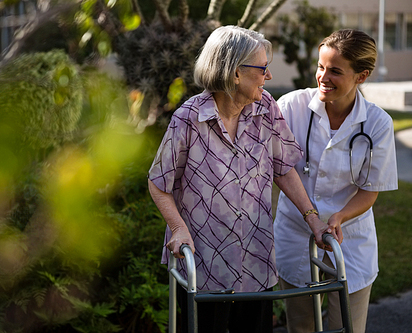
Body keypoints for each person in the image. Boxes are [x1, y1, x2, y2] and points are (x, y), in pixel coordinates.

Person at [147, 25, 336, 333]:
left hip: (256, 259)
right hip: (204, 263)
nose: (269, 76)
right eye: (262, 69)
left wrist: (312, 219)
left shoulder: (266, 109)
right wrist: (178, 228)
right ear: (235, 73)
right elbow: (158, 183)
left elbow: (284, 168)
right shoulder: (189, 118)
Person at [274, 29, 398, 333]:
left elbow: (370, 190)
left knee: (349, 326)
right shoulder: (291, 107)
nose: (323, 77)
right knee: (301, 326)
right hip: (296, 232)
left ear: (362, 76)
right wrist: (313, 217)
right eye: (321, 66)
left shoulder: (378, 123)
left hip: (350, 240)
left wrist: (340, 216)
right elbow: (278, 168)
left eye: (335, 71)